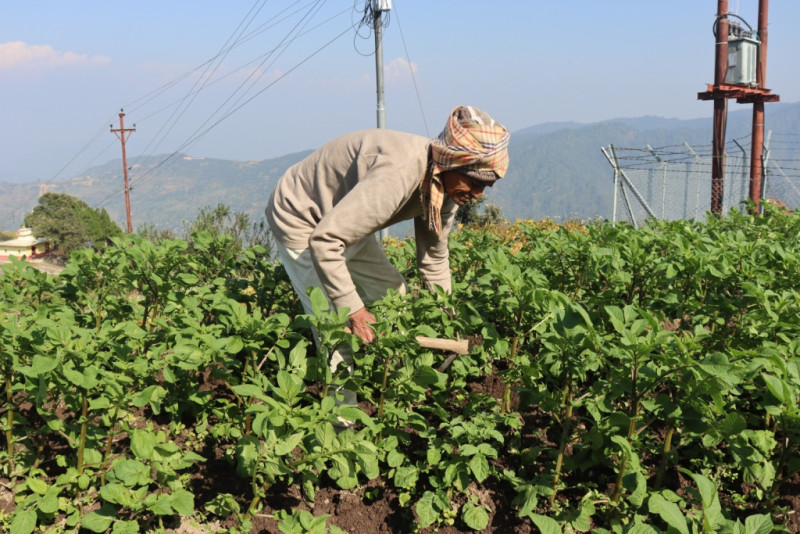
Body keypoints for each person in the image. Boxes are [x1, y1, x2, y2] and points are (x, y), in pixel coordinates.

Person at [265, 105, 510, 383]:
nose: (477, 194)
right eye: (474, 182)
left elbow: (434, 257)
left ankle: (394, 384)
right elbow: (325, 241)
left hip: (340, 222)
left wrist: (448, 319)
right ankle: (342, 419)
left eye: (485, 187)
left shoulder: (447, 189)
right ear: (451, 163)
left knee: (395, 297)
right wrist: (355, 312)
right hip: (301, 216)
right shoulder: (400, 173)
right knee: (336, 329)